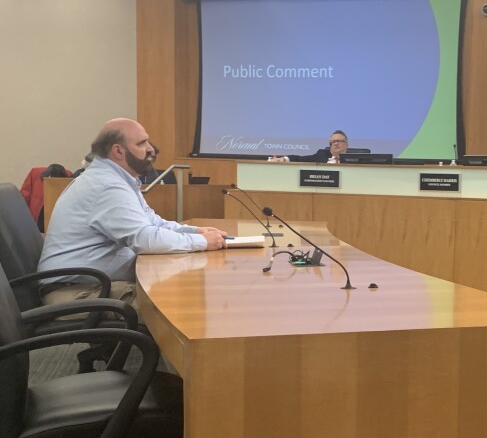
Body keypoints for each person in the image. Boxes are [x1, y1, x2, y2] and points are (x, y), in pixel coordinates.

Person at [37, 118, 228, 307]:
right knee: (175, 305)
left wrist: (195, 232)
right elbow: (144, 238)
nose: (151, 149)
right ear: (118, 150)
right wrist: (202, 242)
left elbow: (152, 223)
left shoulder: (117, 180)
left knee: (179, 294)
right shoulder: (107, 186)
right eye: (142, 143)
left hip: (93, 286)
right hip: (76, 293)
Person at [268, 130, 350, 164]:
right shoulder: (321, 154)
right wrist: (284, 159)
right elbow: (300, 159)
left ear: (346, 144)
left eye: (338, 141)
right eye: (333, 142)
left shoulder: (354, 158)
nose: (335, 144)